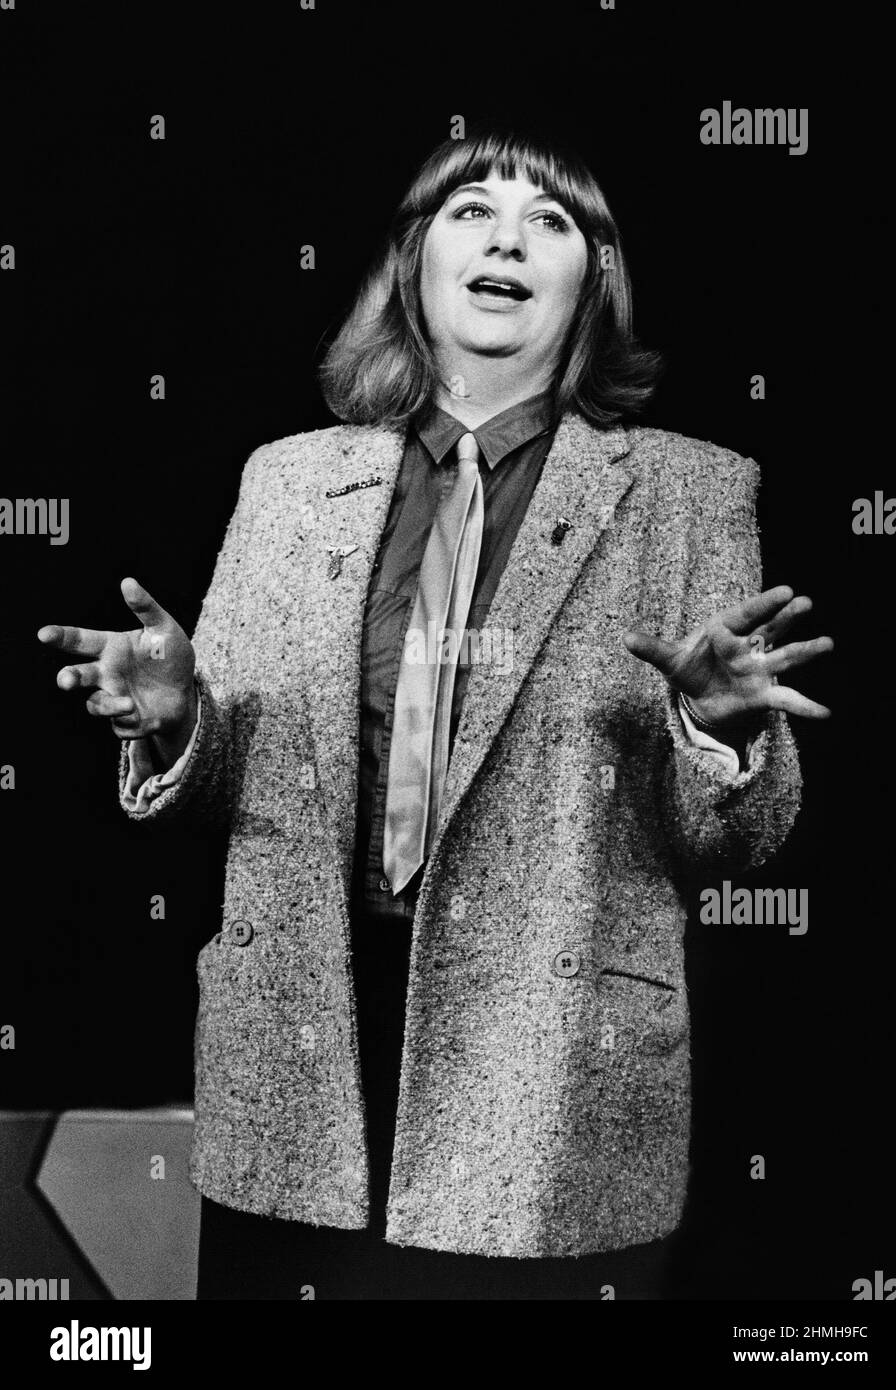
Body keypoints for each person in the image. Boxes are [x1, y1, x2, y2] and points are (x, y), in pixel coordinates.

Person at [37, 127, 831, 1300]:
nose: (508, 235)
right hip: (306, 1071)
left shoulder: (689, 490)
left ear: (592, 281)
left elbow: (734, 842)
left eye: (551, 221)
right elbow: (224, 796)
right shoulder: (289, 481)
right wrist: (174, 720)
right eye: (471, 209)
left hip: (549, 1092)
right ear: (411, 262)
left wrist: (713, 732)